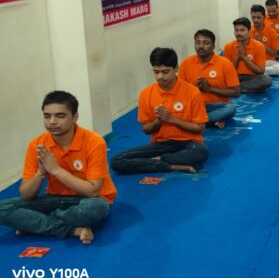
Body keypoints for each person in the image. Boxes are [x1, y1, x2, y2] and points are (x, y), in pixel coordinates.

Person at [0, 91, 117, 245]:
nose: (52, 122)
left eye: (60, 116)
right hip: (54, 198)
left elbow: (92, 191)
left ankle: (35, 222)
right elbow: (26, 195)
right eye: (47, 116)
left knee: (97, 208)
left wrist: (56, 170)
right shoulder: (37, 145)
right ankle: (72, 229)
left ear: (74, 117)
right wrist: (40, 173)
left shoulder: (94, 142)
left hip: (88, 200)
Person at [110, 48, 209, 174]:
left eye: (165, 72)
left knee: (201, 152)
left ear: (176, 69)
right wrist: (158, 121)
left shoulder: (192, 92)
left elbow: (200, 128)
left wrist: (172, 119)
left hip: (188, 143)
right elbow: (146, 129)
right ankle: (171, 166)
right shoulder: (146, 94)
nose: (160, 77)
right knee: (116, 161)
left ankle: (158, 161)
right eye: (156, 72)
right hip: (160, 145)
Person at [178, 29, 241, 129]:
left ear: (213, 46)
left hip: (217, 106)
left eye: (206, 43)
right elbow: (180, 90)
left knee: (230, 109)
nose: (201, 46)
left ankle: (195, 122)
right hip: (194, 106)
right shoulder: (186, 63)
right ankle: (209, 120)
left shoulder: (225, 64)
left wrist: (210, 88)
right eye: (197, 42)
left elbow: (236, 92)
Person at [223, 17, 273, 93]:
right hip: (235, 77)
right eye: (236, 30)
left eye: (242, 30)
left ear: (249, 31)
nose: (239, 33)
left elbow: (261, 72)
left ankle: (236, 88)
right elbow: (227, 73)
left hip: (252, 77)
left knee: (267, 80)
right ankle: (244, 88)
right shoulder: (228, 46)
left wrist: (244, 57)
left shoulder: (259, 46)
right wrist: (237, 57)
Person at [250, 4, 279, 76]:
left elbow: (274, 54)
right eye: (253, 17)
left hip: (267, 61)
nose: (256, 20)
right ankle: (257, 72)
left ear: (264, 17)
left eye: (258, 17)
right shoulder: (248, 31)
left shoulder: (271, 32)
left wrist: (261, 43)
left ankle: (255, 72)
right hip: (252, 61)